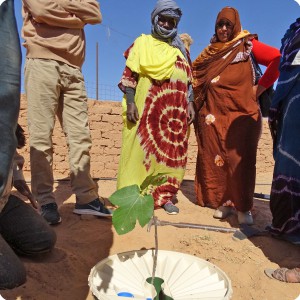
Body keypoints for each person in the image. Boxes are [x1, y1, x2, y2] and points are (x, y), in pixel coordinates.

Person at [21, 0, 112, 225]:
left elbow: (95, 14)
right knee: (42, 137)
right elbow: (41, 10)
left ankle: (86, 198)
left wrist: (60, 7)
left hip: (74, 69)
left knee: (80, 137)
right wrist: (76, 16)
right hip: (41, 63)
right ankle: (45, 201)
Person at [192, 7, 280, 225]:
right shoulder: (211, 52)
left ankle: (244, 207)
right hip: (215, 116)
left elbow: (277, 59)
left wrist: (258, 89)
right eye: (220, 25)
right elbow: (194, 75)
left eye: (228, 25)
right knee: (219, 158)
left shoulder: (246, 45)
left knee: (241, 161)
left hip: (243, 115)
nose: (223, 29)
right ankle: (225, 202)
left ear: (235, 26)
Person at [117, 0, 195, 215]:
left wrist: (190, 102)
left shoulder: (181, 50)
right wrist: (131, 101)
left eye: (172, 21)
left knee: (170, 155)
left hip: (175, 115)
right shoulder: (141, 44)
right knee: (141, 153)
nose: (167, 24)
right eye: (164, 19)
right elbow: (128, 76)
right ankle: (137, 196)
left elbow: (189, 80)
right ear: (155, 19)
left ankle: (164, 195)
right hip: (148, 111)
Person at [0, 0, 56, 289]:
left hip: (1, 200)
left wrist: (19, 184)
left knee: (43, 241)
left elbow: (8, 153)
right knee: (12, 277)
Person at [267, 18, 300, 245]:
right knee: (288, 161)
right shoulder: (293, 30)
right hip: (290, 103)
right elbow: (283, 65)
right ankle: (286, 224)